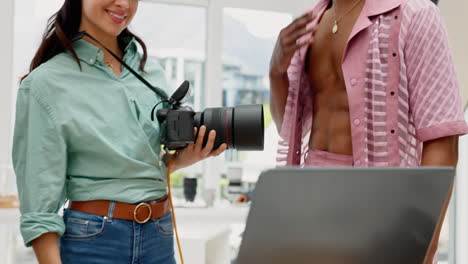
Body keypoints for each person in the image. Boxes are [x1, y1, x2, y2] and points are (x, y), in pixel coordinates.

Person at [11, 0, 226, 263]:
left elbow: (144, 163)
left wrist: (183, 159)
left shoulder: (151, 71)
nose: (124, 3)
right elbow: (39, 211)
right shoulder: (45, 84)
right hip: (94, 240)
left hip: (159, 233)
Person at [269, 0, 468, 262]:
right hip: (309, 203)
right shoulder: (310, 21)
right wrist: (276, 72)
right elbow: (290, 125)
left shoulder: (415, 14)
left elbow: (442, 142)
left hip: (380, 208)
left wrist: (424, 250)